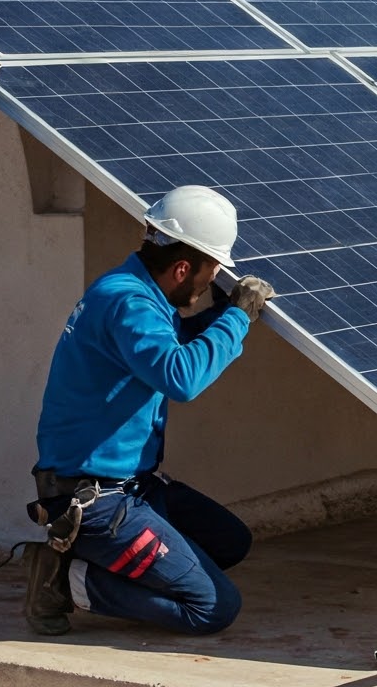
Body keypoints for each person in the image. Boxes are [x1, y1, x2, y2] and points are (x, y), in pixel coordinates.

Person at [24, 185, 275, 638]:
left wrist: (222, 317)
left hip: (135, 487)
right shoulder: (130, 303)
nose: (212, 281)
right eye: (212, 270)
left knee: (229, 542)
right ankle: (68, 582)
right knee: (212, 607)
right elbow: (181, 377)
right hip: (97, 501)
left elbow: (169, 346)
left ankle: (104, 561)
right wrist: (237, 317)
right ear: (182, 268)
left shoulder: (135, 289)